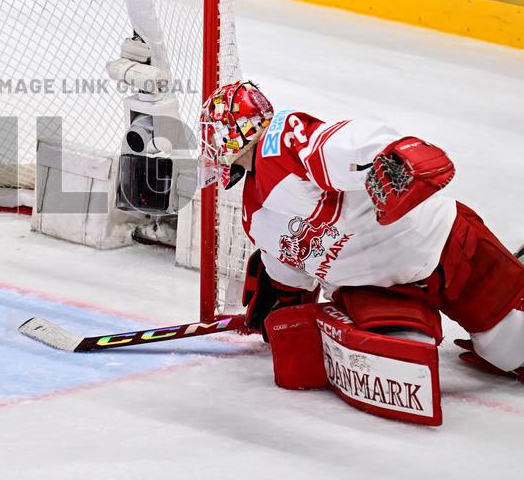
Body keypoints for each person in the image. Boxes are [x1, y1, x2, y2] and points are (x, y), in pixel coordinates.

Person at [200, 82, 524, 420]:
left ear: (235, 129)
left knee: (509, 346)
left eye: (213, 133)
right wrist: (279, 300)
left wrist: (396, 153)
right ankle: (412, 326)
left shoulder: (283, 143)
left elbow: (339, 143)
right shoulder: (255, 216)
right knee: (401, 354)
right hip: (378, 289)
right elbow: (288, 270)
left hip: (442, 244)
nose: (210, 146)